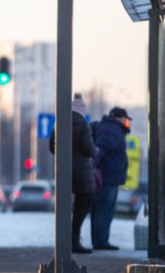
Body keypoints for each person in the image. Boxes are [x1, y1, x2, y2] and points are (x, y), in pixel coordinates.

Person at [49, 93, 97, 254]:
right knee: (82, 205)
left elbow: (51, 147)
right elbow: (88, 149)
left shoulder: (60, 123)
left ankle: (63, 240)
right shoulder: (83, 125)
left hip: (64, 169)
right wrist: (97, 150)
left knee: (63, 206)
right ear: (83, 110)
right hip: (82, 172)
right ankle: (74, 239)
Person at [89, 107, 131, 250]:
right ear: (119, 118)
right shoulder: (112, 130)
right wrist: (93, 165)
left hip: (106, 177)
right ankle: (101, 242)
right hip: (108, 178)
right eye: (125, 119)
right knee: (105, 210)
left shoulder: (109, 128)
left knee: (99, 210)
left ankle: (98, 240)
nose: (127, 123)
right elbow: (100, 149)